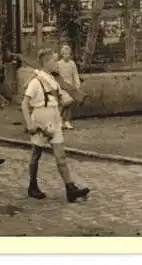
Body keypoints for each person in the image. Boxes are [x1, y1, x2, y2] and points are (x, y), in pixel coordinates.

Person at [21, 48, 90, 203]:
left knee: (61, 156)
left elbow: (60, 101)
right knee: (36, 154)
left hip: (54, 118)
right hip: (40, 118)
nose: (57, 64)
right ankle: (32, 186)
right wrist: (30, 124)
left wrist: (75, 99)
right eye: (54, 61)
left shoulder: (54, 80)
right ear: (46, 63)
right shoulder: (36, 81)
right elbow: (24, 104)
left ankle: (70, 189)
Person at [57, 45, 81, 129]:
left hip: (70, 86)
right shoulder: (59, 64)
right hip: (62, 86)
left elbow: (75, 74)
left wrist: (77, 84)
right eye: (65, 53)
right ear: (62, 54)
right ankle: (59, 120)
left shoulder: (72, 63)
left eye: (68, 53)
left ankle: (67, 121)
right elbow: (56, 75)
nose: (67, 55)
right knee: (64, 104)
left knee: (70, 105)